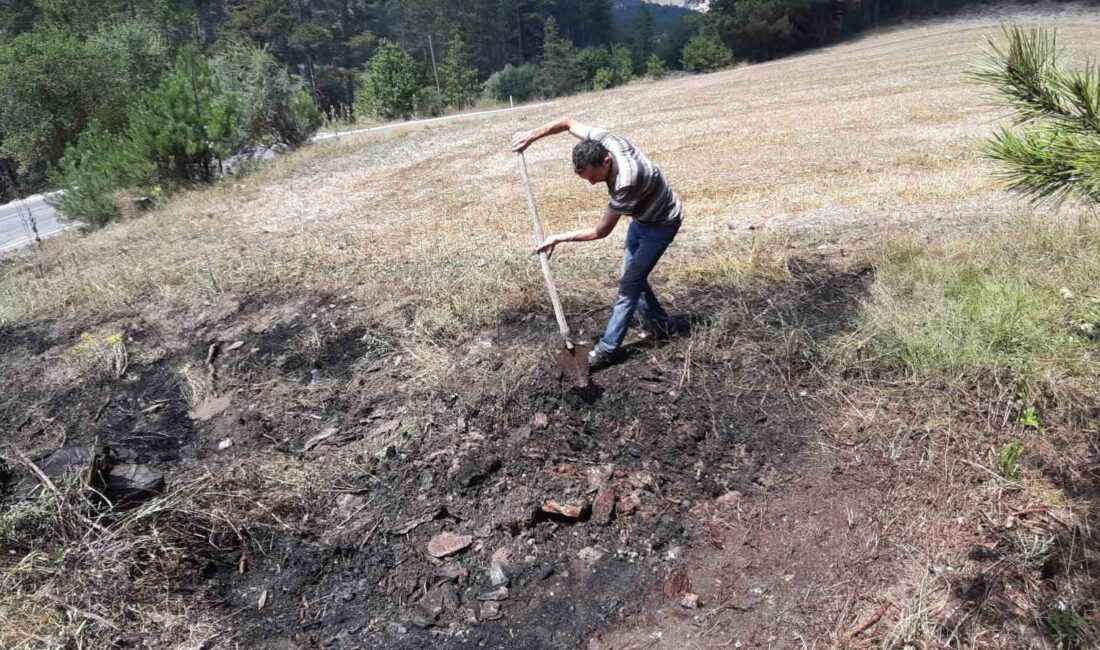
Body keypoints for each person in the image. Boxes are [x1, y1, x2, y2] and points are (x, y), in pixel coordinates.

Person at [511, 117, 683, 369]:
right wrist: (532, 135)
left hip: (661, 223)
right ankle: (661, 326)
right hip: (641, 219)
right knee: (632, 275)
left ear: (606, 161)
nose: (592, 183)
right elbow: (568, 123)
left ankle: (607, 348)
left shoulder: (627, 180)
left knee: (629, 286)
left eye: (593, 177)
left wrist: (559, 237)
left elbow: (601, 231)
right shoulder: (606, 141)